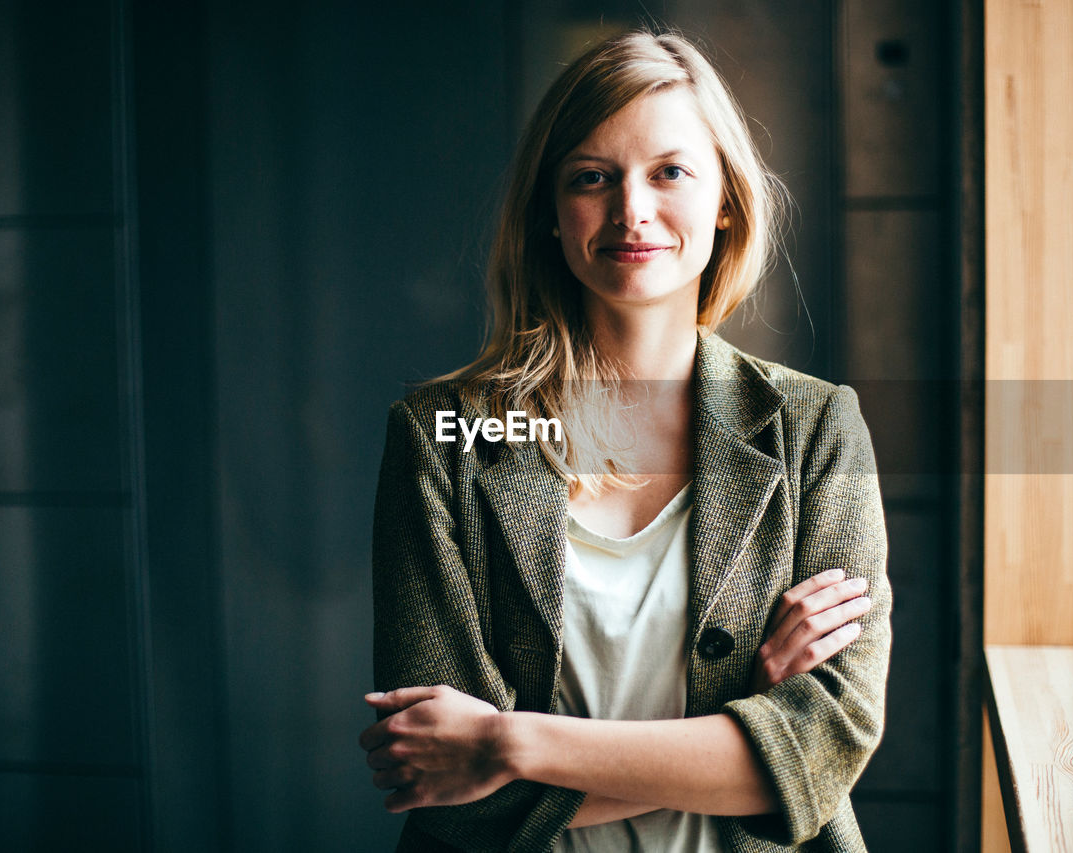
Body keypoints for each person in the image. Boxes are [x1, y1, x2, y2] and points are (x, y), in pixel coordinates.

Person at [358, 30, 890, 853]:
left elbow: (825, 748)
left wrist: (507, 743)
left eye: (669, 171)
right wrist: (737, 737)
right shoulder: (442, 439)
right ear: (550, 214)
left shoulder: (815, 428)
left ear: (724, 200)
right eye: (592, 178)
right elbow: (445, 792)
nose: (631, 210)